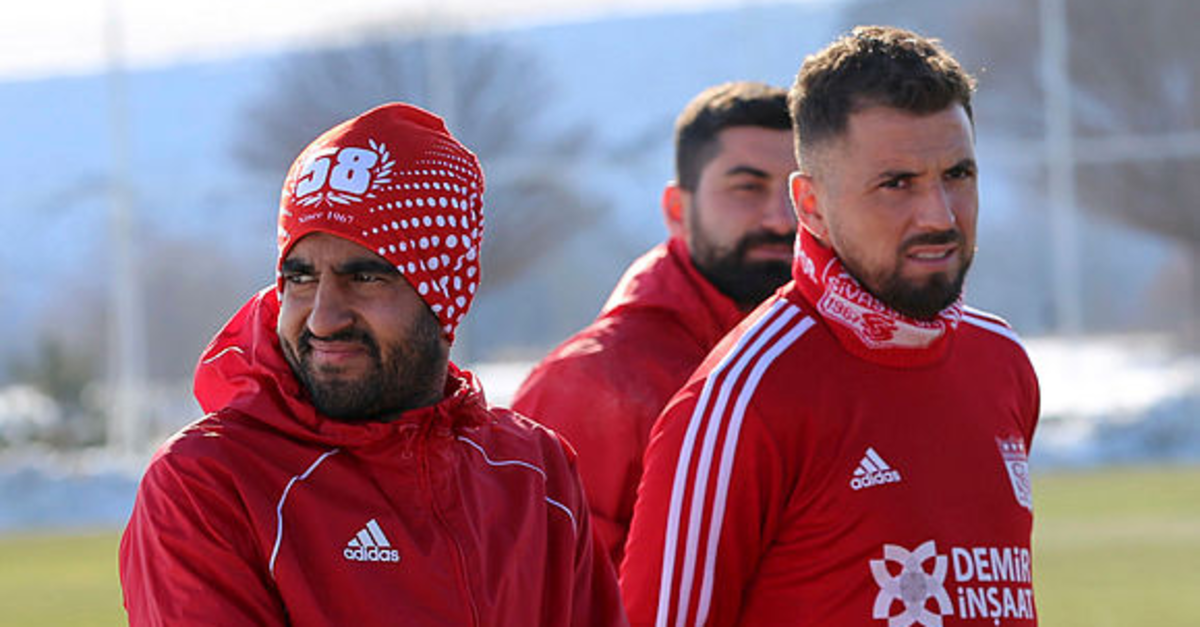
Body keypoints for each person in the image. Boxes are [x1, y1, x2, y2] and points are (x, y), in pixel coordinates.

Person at [119, 103, 627, 627]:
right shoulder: (211, 483)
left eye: (365, 278)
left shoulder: (532, 474)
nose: (323, 318)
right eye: (300, 278)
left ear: (445, 295)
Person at [621, 26, 1040, 626]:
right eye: (897, 183)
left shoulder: (1001, 362)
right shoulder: (743, 396)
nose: (939, 215)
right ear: (811, 205)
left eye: (958, 174)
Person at [512, 82, 796, 566]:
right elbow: (541, 585)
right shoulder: (593, 380)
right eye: (747, 187)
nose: (781, 219)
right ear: (677, 209)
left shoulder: (832, 355)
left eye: (796, 190)